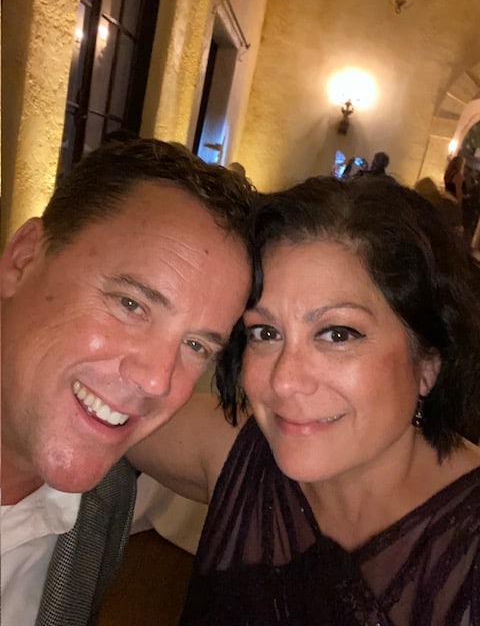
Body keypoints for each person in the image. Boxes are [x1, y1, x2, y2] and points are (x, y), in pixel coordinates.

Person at [131, 175, 480, 625]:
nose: (284, 381)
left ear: (428, 362)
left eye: (338, 334)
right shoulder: (233, 451)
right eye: (265, 333)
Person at [0, 138, 254, 625]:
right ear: (23, 258)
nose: (158, 380)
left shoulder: (103, 507)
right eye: (131, 304)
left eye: (196, 345)